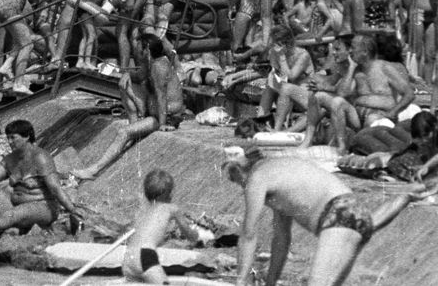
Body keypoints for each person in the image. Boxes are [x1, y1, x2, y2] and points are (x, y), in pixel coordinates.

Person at [224, 145, 428, 286]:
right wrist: (270, 282)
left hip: (337, 217)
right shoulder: (279, 171)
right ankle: (405, 197)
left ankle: (406, 196)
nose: (238, 185)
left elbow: (248, 234)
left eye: (234, 179)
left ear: (240, 171)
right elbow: (281, 239)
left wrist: (240, 281)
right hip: (357, 214)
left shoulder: (257, 178)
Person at [71, 38, 184, 181]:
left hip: (166, 117)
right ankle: (134, 124)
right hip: (154, 109)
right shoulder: (150, 63)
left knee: (123, 132)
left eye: (140, 49)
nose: (137, 51)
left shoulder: (159, 67)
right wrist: (126, 74)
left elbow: (161, 97)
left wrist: (162, 124)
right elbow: (139, 76)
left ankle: (93, 170)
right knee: (124, 84)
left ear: (147, 51)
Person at [0, 119, 84, 235]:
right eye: (8, 138)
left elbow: (55, 188)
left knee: (17, 213)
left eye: (13, 138)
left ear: (26, 136)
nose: (9, 142)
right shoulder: (10, 159)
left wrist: (72, 209)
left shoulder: (41, 158)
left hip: (43, 207)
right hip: (14, 207)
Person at [123, 169, 213, 283]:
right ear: (169, 192)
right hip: (145, 255)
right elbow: (190, 236)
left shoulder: (143, 211)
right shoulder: (171, 208)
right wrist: (203, 235)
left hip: (128, 257)